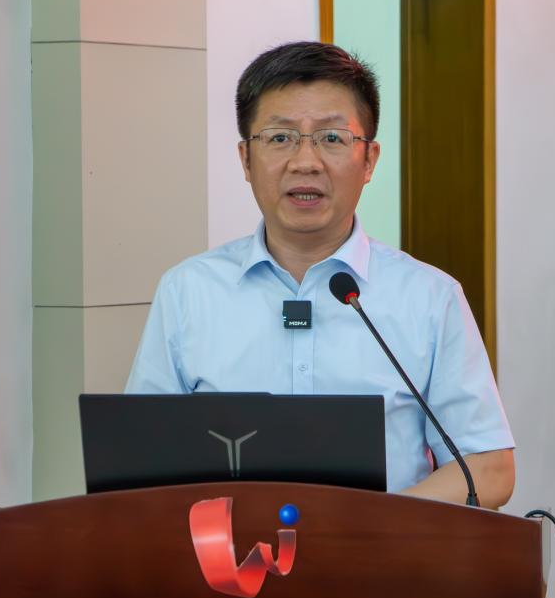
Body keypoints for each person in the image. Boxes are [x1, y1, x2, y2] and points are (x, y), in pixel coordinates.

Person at [125, 41, 515, 507]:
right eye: (280, 138)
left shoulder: (430, 297)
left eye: (332, 138)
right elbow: (140, 459)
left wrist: (374, 530)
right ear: (246, 159)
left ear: (369, 160)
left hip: (384, 551)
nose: (305, 162)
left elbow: (488, 468)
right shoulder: (189, 291)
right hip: (227, 553)